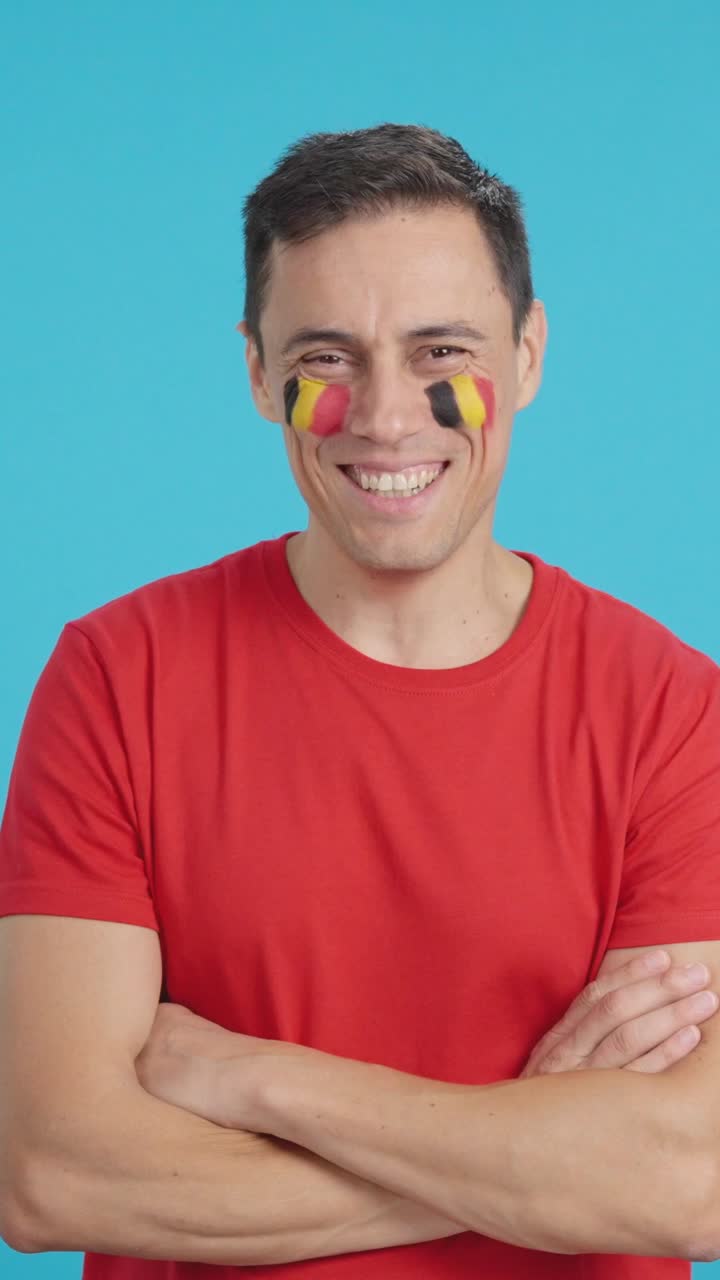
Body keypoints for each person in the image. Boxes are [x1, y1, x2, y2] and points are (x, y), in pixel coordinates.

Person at [2, 123, 720, 1279]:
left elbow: (691, 1180)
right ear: (255, 371)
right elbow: (54, 1171)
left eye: (444, 352)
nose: (388, 415)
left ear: (529, 355)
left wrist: (259, 1078)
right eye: (327, 358)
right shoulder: (116, 677)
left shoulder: (674, 713)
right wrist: (535, 1143)